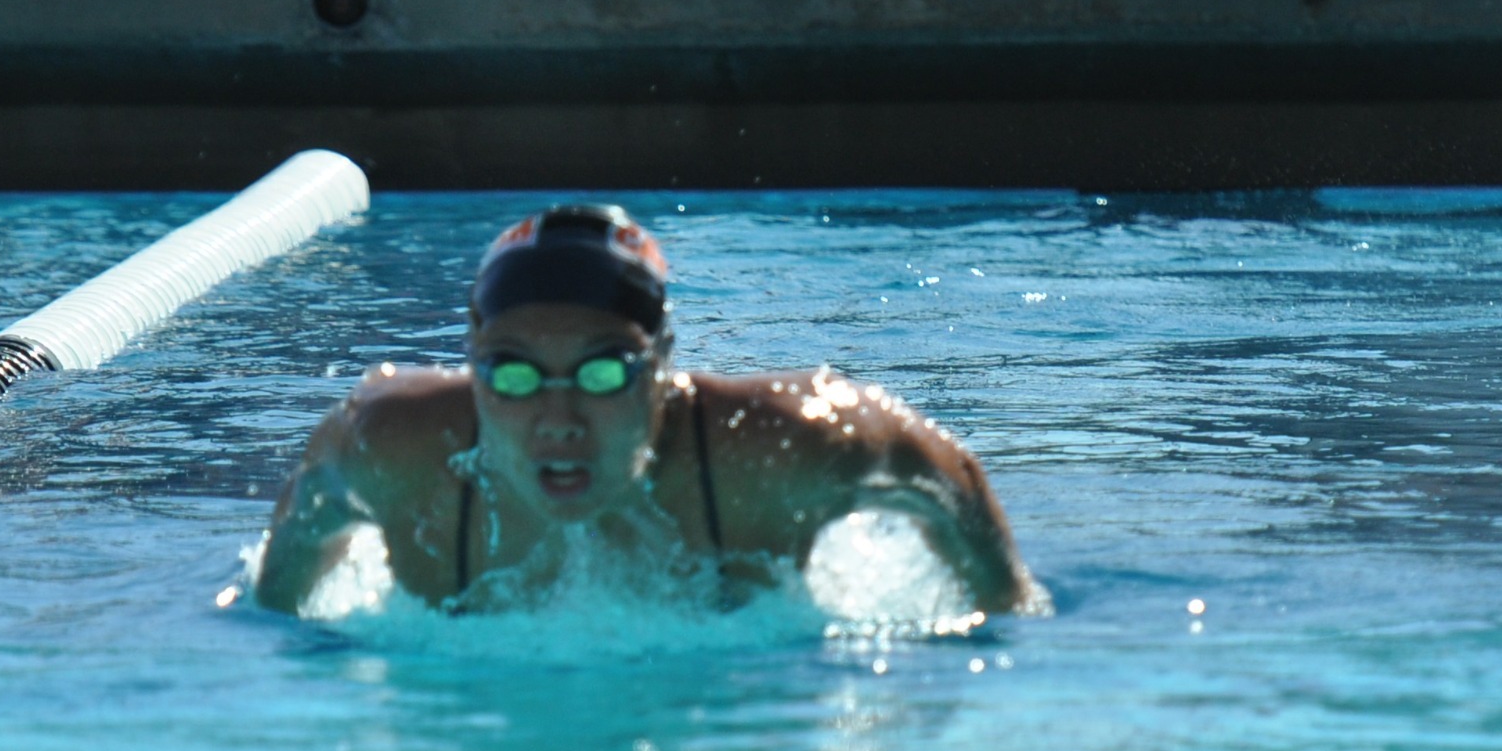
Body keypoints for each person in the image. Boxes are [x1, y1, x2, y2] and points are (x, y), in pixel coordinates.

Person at [254, 205, 1038, 616]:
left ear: (661, 366)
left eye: (601, 374)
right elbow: (290, 566)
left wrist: (1003, 608)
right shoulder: (390, 442)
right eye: (515, 377)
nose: (559, 419)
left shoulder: (780, 445)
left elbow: (948, 475)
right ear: (473, 360)